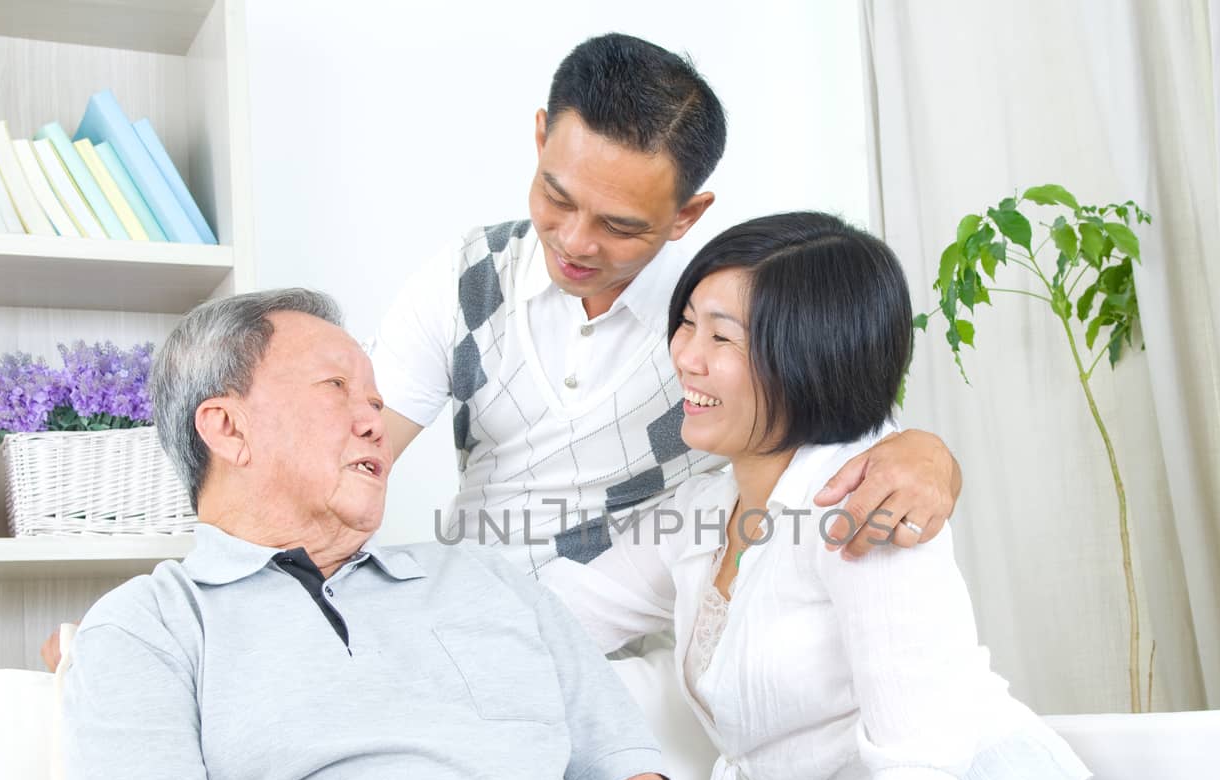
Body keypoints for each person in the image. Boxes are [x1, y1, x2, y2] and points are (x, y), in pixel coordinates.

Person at [61, 288, 813, 780]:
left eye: (376, 398)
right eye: (336, 389)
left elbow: (619, 770)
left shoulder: (493, 583)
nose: (374, 422)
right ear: (226, 427)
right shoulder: (145, 625)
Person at [539, 214, 1142, 780]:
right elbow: (542, 611)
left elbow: (920, 764)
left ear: (808, 358)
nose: (686, 355)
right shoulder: (698, 515)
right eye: (687, 323)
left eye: (722, 336)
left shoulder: (866, 499)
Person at [366, 32, 961, 575]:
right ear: (542, 136)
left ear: (687, 215)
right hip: (473, 614)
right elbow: (356, 449)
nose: (574, 241)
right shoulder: (466, 275)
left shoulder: (718, 322)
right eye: (556, 196)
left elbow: (869, 443)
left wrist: (931, 457)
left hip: (639, 645)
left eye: (619, 226)